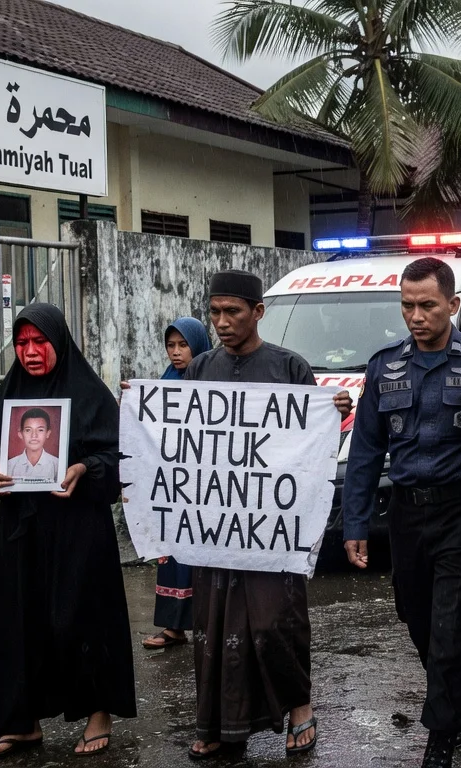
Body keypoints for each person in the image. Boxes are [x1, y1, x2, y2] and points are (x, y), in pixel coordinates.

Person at [181, 270, 352, 761]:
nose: (222, 322)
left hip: (272, 529)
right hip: (216, 526)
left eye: (232, 312)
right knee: (212, 626)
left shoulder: (289, 367)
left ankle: (299, 708)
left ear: (258, 312)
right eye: (214, 313)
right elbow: (182, 444)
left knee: (276, 620)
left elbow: (312, 450)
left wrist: (330, 411)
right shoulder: (199, 370)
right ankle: (216, 725)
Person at [342, 258, 461, 768]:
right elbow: (365, 450)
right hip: (407, 515)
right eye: (407, 305)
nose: (415, 315)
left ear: (453, 305)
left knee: (454, 625)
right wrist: (356, 523)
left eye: (427, 305)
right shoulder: (385, 366)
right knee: (417, 619)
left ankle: (440, 738)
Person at [0, 304, 135, 760]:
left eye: (38, 342)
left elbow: (120, 456)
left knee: (83, 618)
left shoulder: (88, 395)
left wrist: (86, 467)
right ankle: (20, 723)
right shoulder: (10, 396)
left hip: (79, 529)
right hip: (22, 533)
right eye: (21, 344)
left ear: (58, 341)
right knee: (21, 622)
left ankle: (98, 713)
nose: (30, 352)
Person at [141, 317, 212, 651]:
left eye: (183, 345)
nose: (176, 352)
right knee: (172, 554)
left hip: (208, 484)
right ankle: (173, 627)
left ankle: (210, 625)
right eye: (171, 345)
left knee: (206, 554)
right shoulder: (166, 382)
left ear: (197, 344)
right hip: (174, 484)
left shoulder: (214, 377)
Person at [6, 408, 60, 483]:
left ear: (48, 433)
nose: (34, 436)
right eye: (28, 430)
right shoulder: (9, 465)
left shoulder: (57, 465)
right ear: (20, 434)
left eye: (40, 430)